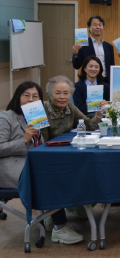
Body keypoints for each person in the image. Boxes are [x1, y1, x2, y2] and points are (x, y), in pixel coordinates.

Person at [42, 76, 103, 243]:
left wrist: (97, 115)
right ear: (49, 94)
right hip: (48, 158)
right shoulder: (43, 111)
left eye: (66, 93)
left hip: (67, 153)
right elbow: (41, 144)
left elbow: (89, 125)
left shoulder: (70, 107)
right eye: (58, 93)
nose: (62, 97)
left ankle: (61, 208)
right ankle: (58, 225)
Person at [1, 82, 44, 189]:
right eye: (26, 95)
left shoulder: (36, 117)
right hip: (12, 169)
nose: (30, 100)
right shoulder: (6, 117)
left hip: (34, 164)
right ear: (18, 97)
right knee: (47, 178)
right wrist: (24, 140)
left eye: (35, 96)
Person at [72, 16, 118, 83]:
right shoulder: (82, 45)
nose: (98, 27)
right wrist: (75, 54)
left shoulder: (109, 46)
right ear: (89, 28)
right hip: (88, 80)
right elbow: (76, 66)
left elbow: (111, 66)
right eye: (95, 25)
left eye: (100, 25)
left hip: (106, 80)